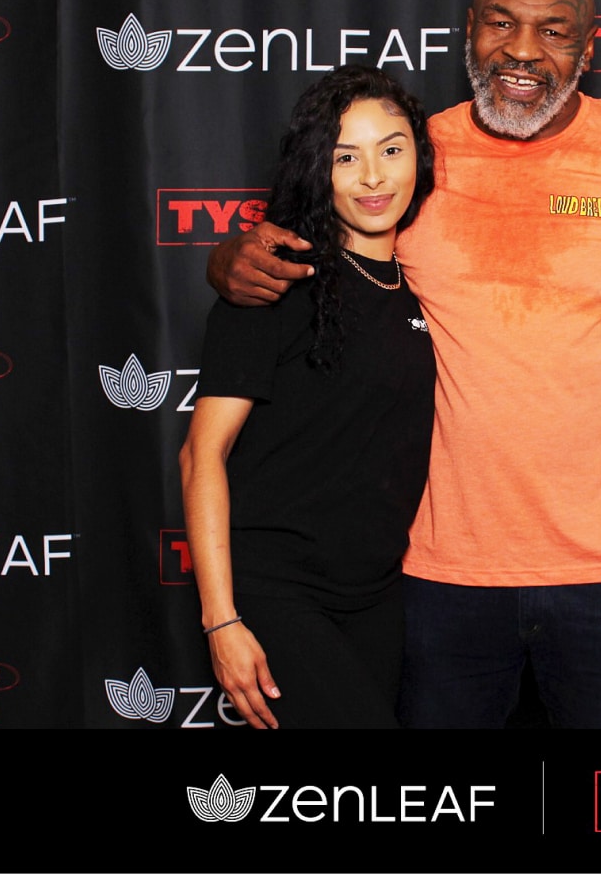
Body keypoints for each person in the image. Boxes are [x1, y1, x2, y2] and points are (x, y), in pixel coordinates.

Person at [207, 0, 601, 728]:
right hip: (434, 575)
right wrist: (229, 258)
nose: (523, 50)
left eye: (554, 31)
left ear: (587, 51)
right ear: (469, 32)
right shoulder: (414, 157)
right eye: (502, 22)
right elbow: (305, 236)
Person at [179, 65, 436, 729]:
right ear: (317, 168)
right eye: (346, 157)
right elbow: (201, 454)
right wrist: (221, 620)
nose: (374, 178)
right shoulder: (271, 281)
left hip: (376, 594)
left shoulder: (415, 284)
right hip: (276, 591)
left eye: (392, 149)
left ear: (419, 156)